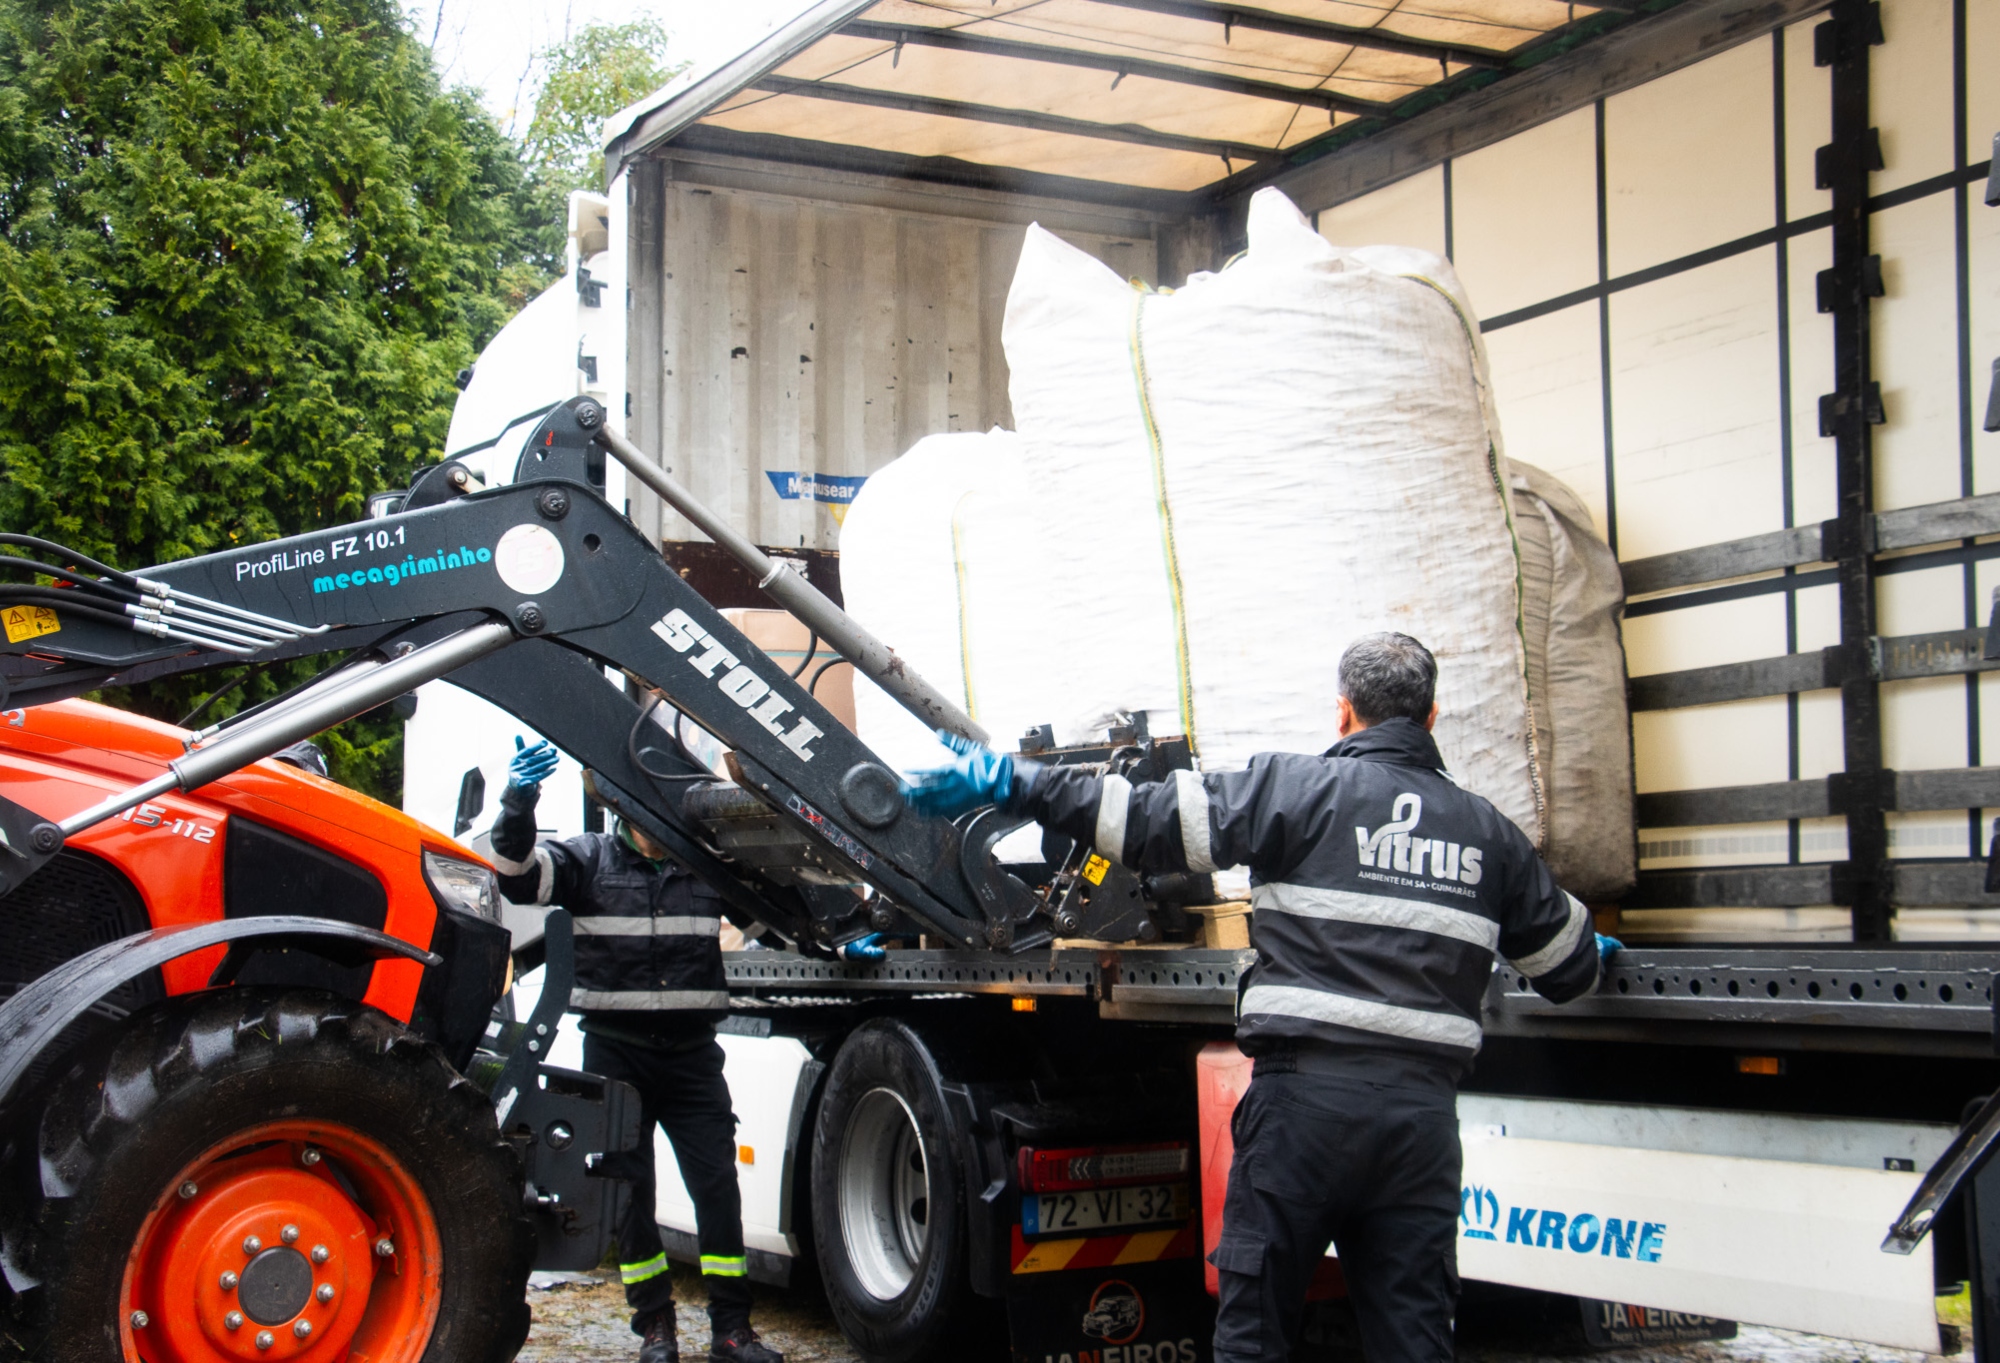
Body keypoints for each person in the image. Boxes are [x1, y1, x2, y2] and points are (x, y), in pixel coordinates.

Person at [902, 632, 1618, 1363]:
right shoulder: (1488, 834)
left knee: (1257, 1330)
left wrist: (1014, 782)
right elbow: (1568, 968)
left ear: (1343, 714)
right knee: (1414, 1336)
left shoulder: (1295, 790)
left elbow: (1140, 821)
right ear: (1431, 717)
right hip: (1418, 1125)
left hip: (1302, 1115)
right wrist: (1589, 942)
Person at [490, 736, 782, 1363]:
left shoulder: (705, 867)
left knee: (717, 1188)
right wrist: (519, 800)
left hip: (691, 1056)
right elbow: (513, 876)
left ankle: (732, 1331)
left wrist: (852, 931)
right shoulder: (587, 861)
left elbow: (781, 906)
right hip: (615, 1058)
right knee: (627, 1196)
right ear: (623, 808)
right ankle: (655, 1329)